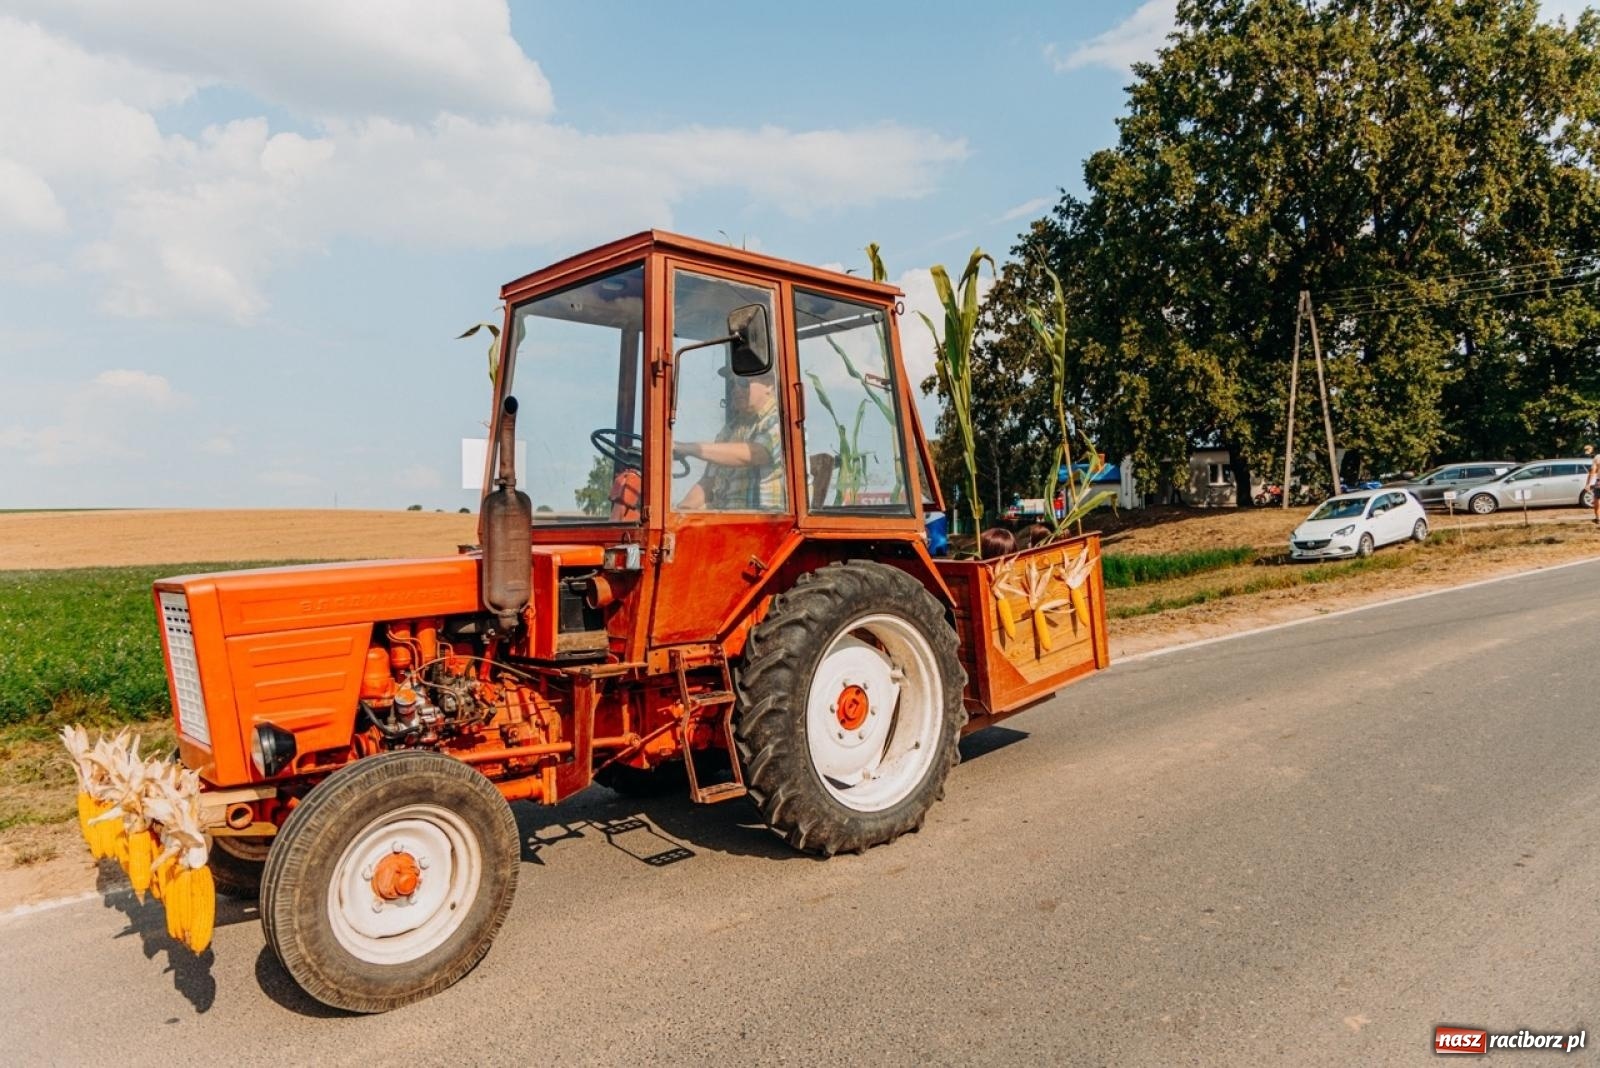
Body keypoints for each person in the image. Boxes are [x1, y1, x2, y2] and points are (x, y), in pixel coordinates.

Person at [673, 367, 784, 510]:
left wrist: (689, 448)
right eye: (732, 384)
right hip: (728, 517)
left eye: (743, 382)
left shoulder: (782, 420)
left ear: (769, 385)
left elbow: (754, 454)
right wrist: (681, 512)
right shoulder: (730, 430)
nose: (735, 389)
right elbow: (709, 482)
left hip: (764, 519)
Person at [1587, 444, 1600, 525]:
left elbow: (1593, 471)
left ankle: (1598, 518)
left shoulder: (1598, 457)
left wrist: (1588, 483)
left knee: (1597, 500)